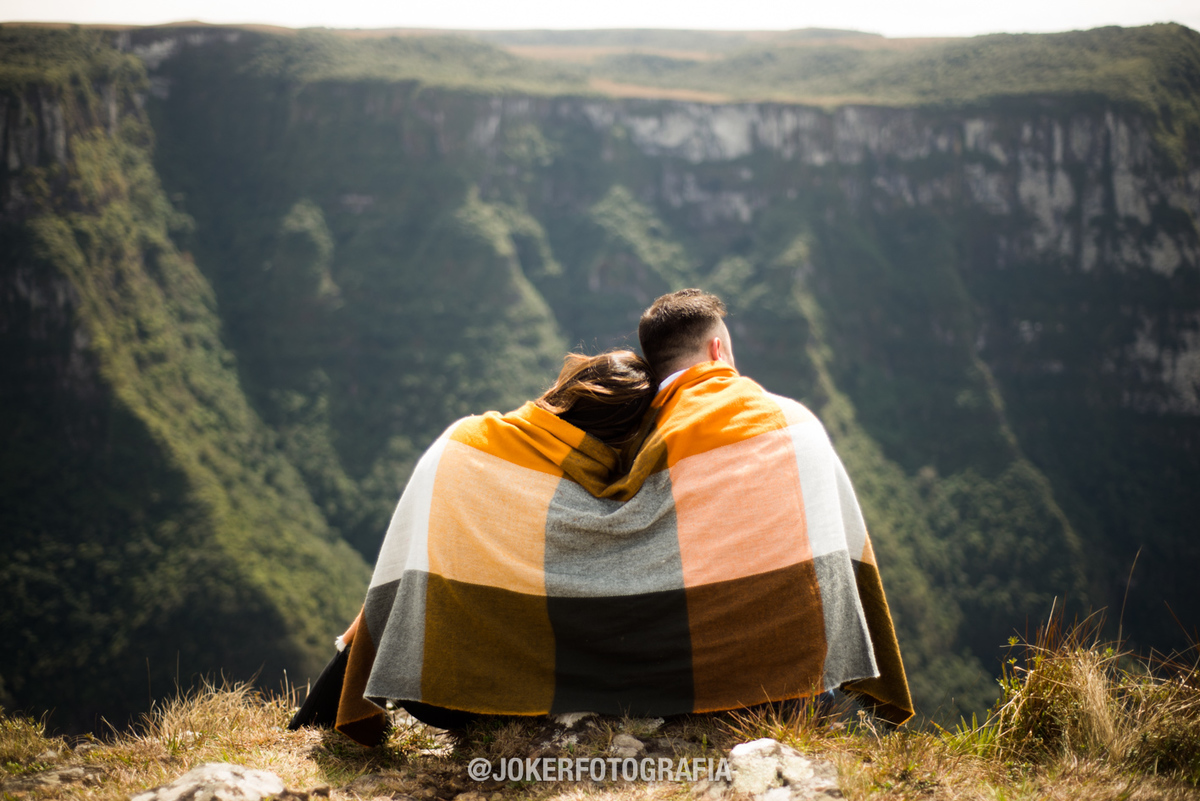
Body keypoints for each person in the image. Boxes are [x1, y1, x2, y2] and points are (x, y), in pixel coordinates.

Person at [296, 291, 913, 746]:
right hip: (776, 698)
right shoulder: (788, 427)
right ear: (718, 350)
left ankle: (313, 719)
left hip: (458, 695)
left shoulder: (467, 449)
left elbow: (399, 587)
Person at [290, 349, 658, 742]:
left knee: (413, 580)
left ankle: (309, 723)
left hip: (417, 680)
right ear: (628, 434)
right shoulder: (603, 501)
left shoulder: (465, 439)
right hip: (492, 697)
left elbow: (401, 564)